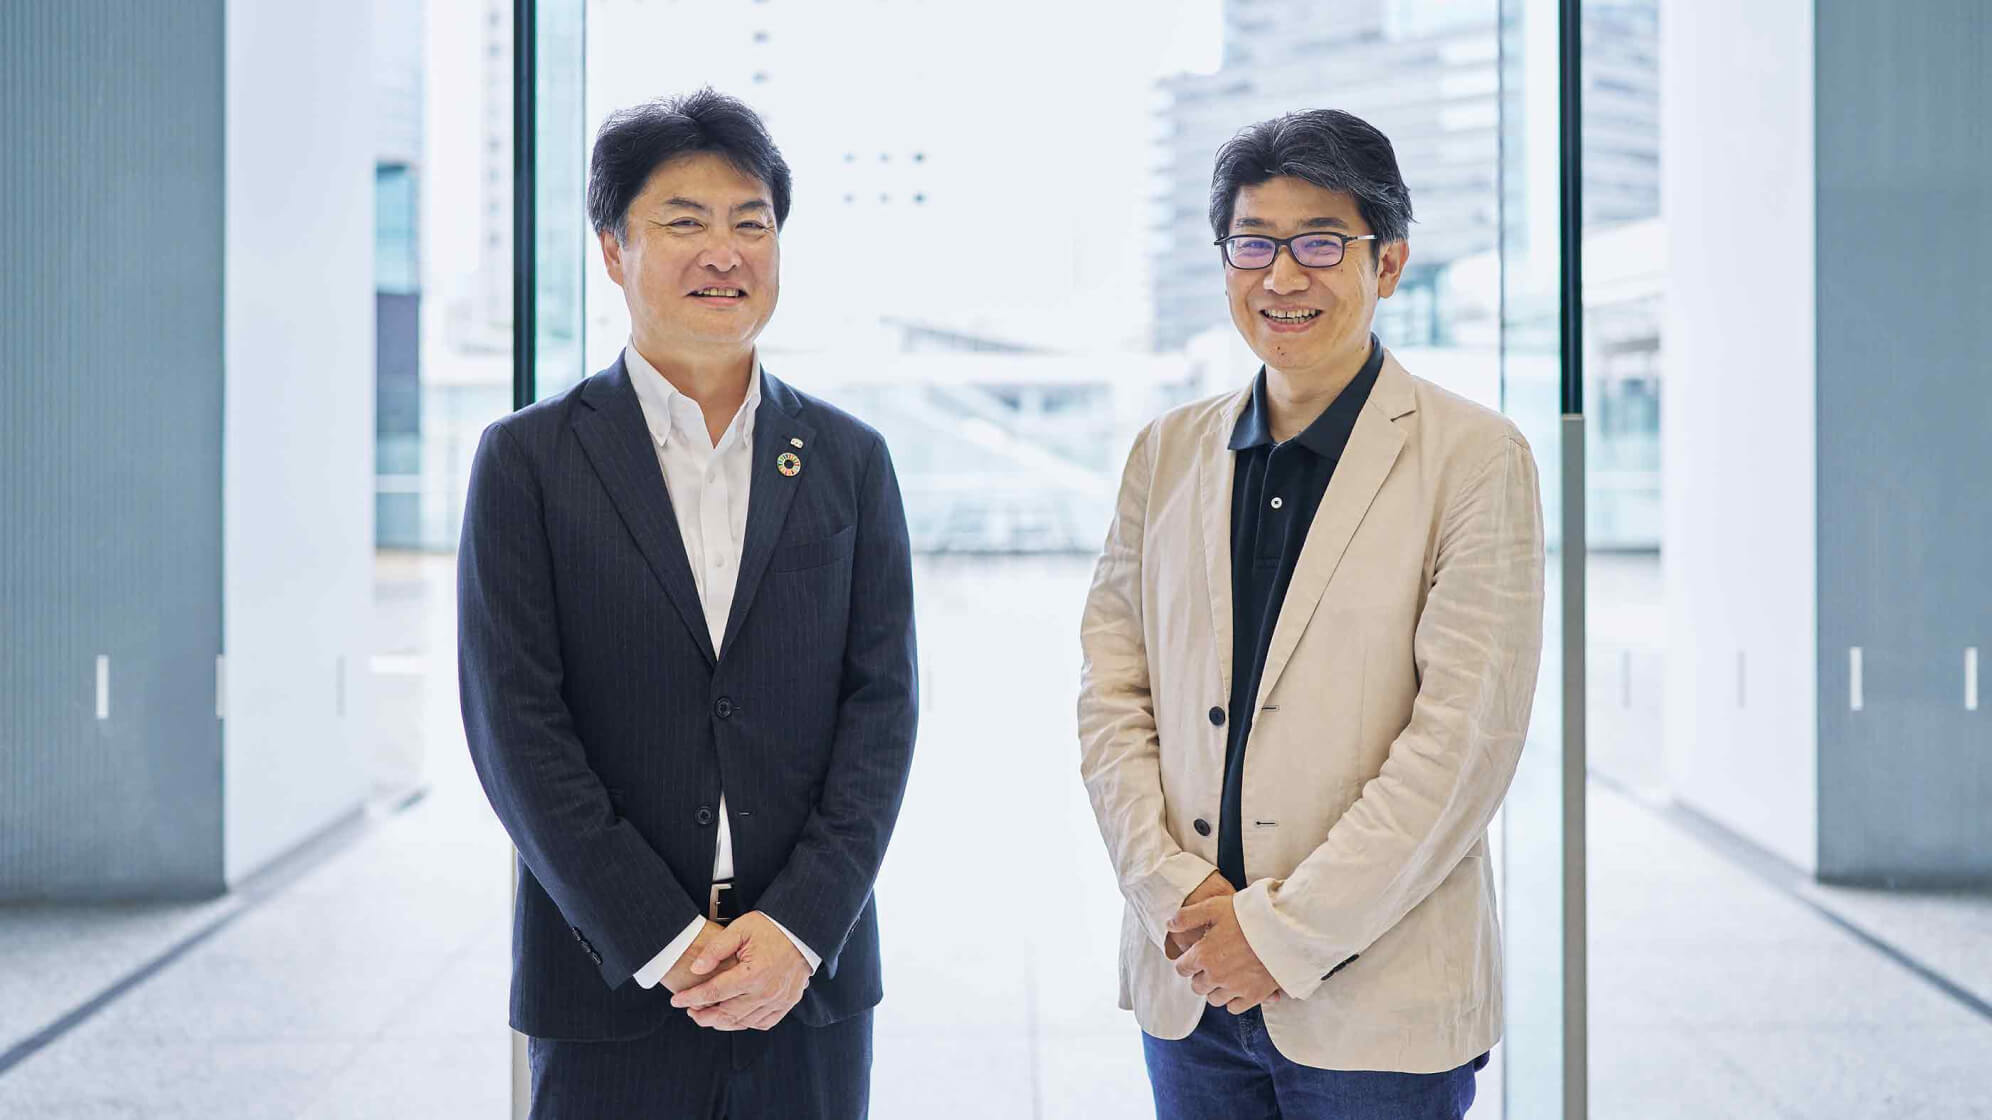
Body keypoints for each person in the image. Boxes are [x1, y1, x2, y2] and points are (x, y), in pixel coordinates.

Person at [1077, 108, 1545, 1120]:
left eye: (1322, 243)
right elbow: (1111, 694)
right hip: (1189, 982)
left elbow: (1463, 744)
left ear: (1389, 263)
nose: (1282, 276)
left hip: (1377, 999)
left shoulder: (1475, 457)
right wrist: (1172, 892)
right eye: (1253, 243)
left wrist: (1281, 936)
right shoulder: (1166, 453)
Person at [458, 89, 918, 1119]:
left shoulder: (849, 459)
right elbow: (515, 727)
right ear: (613, 250)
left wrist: (798, 929)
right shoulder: (529, 461)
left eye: (751, 222)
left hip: (805, 987)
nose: (724, 252)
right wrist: (663, 941)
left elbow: (882, 713)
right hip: (609, 986)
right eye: (684, 221)